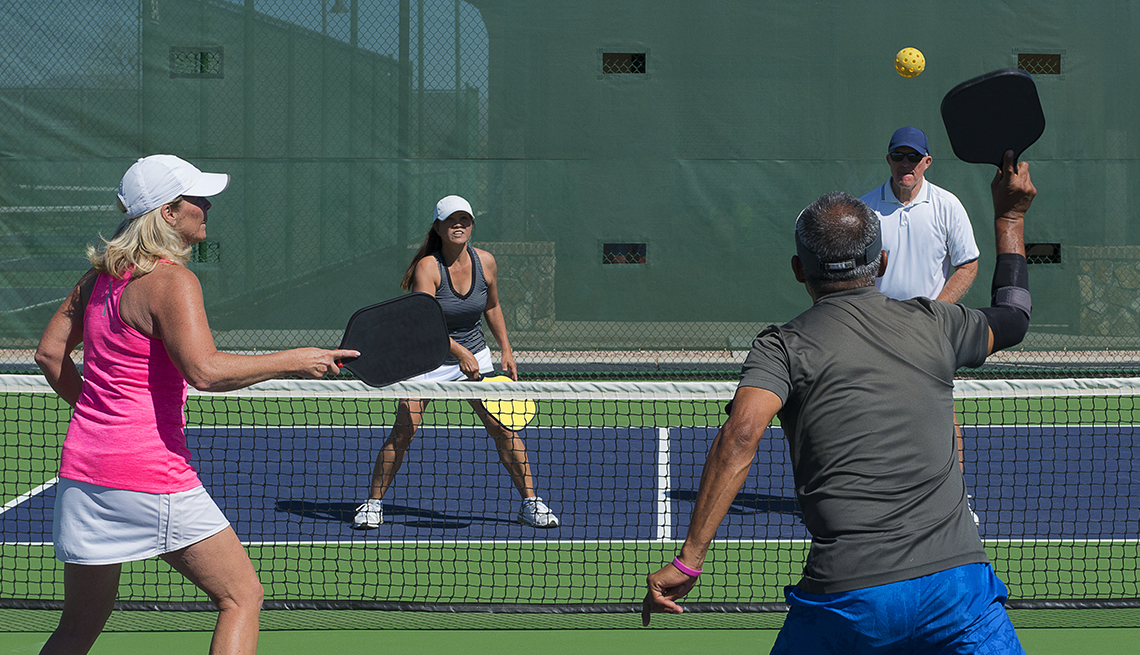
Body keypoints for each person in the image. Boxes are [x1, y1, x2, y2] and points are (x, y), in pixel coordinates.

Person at [643, 151, 1036, 654]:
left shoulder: (781, 346)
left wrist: (688, 561)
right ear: (884, 262)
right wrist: (1009, 218)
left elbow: (741, 436)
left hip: (848, 601)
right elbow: (1015, 315)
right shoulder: (937, 323)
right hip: (957, 593)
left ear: (796, 270)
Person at [34, 155, 357, 655]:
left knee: (78, 628)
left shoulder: (95, 281)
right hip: (149, 473)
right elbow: (203, 370)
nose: (206, 207)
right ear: (167, 213)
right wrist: (293, 359)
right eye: (196, 199)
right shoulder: (172, 281)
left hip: (83, 471)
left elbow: (49, 353)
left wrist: (97, 413)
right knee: (242, 596)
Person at [353, 195, 560, 529]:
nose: (458, 225)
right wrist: (457, 352)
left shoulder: (486, 262)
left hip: (475, 356)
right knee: (404, 430)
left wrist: (505, 348)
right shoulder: (428, 268)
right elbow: (424, 323)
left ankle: (530, 502)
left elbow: (492, 306)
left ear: (472, 225)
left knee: (503, 429)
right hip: (427, 359)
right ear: (438, 226)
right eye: (451, 220)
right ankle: (373, 504)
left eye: (464, 219)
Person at [861, 125, 982, 515]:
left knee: (940, 414)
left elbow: (968, 263)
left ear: (927, 162)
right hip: (876, 331)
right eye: (899, 156)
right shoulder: (865, 210)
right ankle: (880, 498)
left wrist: (937, 310)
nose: (906, 165)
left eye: (914, 157)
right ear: (889, 160)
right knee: (873, 414)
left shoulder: (947, 206)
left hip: (929, 329)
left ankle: (954, 502)